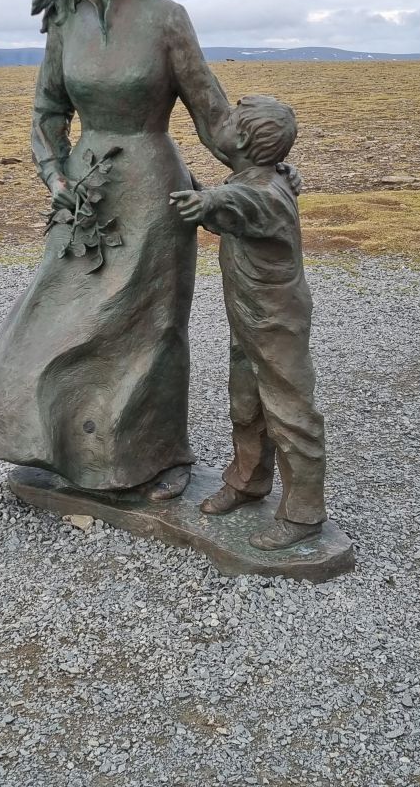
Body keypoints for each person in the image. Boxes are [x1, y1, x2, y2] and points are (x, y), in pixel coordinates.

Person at [0, 0, 235, 500]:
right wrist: (56, 177)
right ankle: (62, 451)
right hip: (86, 192)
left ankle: (154, 459)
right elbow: (47, 112)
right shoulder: (64, 21)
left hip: (153, 186)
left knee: (149, 328)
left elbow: (213, 116)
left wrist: (265, 165)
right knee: (57, 318)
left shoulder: (167, 17)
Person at [169, 95, 328, 551]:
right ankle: (248, 480)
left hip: (277, 323)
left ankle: (304, 513)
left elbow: (228, 204)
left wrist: (193, 193)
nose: (221, 123)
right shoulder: (263, 177)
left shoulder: (257, 193)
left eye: (229, 120)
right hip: (250, 319)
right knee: (246, 402)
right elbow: (228, 211)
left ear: (239, 138)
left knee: (290, 412)